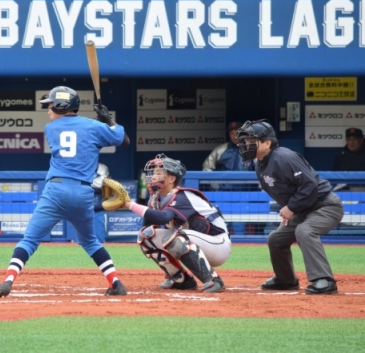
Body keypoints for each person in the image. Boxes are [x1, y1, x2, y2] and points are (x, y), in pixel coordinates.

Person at [0, 86, 130, 298]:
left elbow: (78, 130)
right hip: (83, 192)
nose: (48, 110)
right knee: (90, 242)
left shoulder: (51, 128)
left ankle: (8, 281)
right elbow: (123, 139)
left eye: (51, 105)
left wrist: (99, 123)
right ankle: (115, 282)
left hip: (56, 191)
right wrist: (107, 120)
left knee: (29, 240)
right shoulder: (93, 126)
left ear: (62, 105)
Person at [236, 120, 344, 294]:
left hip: (325, 205)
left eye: (250, 140)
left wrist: (291, 208)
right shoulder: (259, 164)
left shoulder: (285, 157)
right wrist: (290, 211)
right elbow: (280, 191)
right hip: (302, 210)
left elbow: (309, 185)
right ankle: (285, 280)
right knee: (276, 239)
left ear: (267, 143)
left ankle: (324, 280)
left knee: (305, 231)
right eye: (246, 140)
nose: (246, 144)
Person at [123, 153, 230, 292]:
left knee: (176, 237)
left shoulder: (182, 196)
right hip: (196, 241)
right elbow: (156, 226)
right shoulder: (155, 199)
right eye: (153, 173)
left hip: (217, 244)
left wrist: (130, 205)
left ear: (172, 178)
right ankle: (181, 279)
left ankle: (214, 280)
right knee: (146, 236)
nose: (153, 177)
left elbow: (163, 218)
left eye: (159, 173)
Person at [203, 121, 256, 235]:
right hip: (223, 193)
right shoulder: (220, 149)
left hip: (243, 194)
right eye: (232, 133)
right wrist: (216, 185)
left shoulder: (251, 150)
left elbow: (261, 169)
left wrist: (257, 188)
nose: (234, 136)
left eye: (237, 133)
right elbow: (207, 167)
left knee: (239, 225)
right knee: (221, 224)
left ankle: (240, 246)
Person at [91, 163, 110, 244]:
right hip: (79, 210)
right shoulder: (77, 166)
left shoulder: (102, 167)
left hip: (97, 209)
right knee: (78, 242)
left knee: (99, 241)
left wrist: (83, 182)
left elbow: (101, 184)